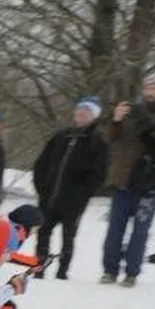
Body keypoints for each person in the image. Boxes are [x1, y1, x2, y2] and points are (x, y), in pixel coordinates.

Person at [101, 73, 155, 286]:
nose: (149, 91)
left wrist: (145, 121)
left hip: (148, 182)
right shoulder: (132, 110)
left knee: (140, 231)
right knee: (114, 229)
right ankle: (109, 270)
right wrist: (117, 119)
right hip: (122, 179)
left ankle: (131, 273)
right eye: (147, 86)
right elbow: (110, 138)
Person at [30, 97, 109, 281]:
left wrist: (82, 193)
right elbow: (41, 163)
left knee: (68, 236)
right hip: (49, 196)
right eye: (79, 110)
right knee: (43, 232)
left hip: (73, 200)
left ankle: (62, 272)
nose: (81, 114)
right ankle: (38, 268)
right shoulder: (61, 137)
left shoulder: (97, 141)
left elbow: (98, 174)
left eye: (87, 111)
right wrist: (41, 186)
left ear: (94, 116)